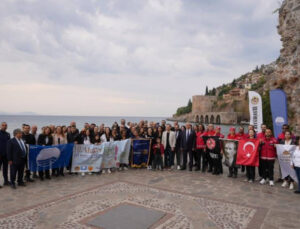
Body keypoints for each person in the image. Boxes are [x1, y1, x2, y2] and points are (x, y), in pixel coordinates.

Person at [0, 122, 11, 187]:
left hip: (6, 155)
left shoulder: (8, 134)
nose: (4, 126)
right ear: (0, 126)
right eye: (3, 125)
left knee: (5, 168)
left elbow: (9, 144)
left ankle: (6, 181)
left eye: (5, 125)